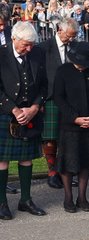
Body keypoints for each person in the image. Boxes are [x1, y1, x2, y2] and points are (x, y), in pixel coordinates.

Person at [0, 21, 48, 219]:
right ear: (14, 38)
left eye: (31, 45)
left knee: (26, 158)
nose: (28, 49)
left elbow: (44, 85)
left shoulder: (37, 53)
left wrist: (35, 107)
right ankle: (2, 202)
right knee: (2, 161)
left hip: (30, 114)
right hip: (5, 113)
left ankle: (25, 200)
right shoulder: (1, 54)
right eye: (25, 45)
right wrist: (14, 109)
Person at [52, 41, 89, 212]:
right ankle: (68, 198)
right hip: (69, 124)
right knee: (68, 162)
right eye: (80, 64)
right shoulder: (63, 71)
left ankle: (82, 197)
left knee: (85, 161)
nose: (82, 67)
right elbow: (58, 97)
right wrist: (74, 118)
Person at [40, 18, 79, 189]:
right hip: (50, 97)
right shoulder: (43, 48)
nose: (70, 39)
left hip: (70, 99)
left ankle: (65, 171)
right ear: (59, 30)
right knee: (50, 138)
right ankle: (52, 173)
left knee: (67, 137)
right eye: (68, 36)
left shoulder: (75, 47)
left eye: (73, 36)